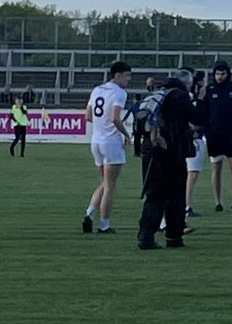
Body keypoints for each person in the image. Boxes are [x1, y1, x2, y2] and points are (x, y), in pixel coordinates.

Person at [137, 71, 198, 250]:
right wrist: (201, 100)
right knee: (174, 195)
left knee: (154, 194)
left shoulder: (158, 95)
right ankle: (172, 236)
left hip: (151, 148)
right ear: (187, 84)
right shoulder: (180, 96)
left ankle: (147, 235)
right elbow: (197, 117)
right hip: (171, 150)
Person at [83, 61, 132, 235]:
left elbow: (88, 116)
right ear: (117, 75)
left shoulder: (97, 90)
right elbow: (115, 118)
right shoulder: (119, 93)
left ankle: (90, 213)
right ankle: (104, 224)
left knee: (104, 182)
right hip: (111, 142)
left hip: (96, 140)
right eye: (127, 76)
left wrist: (101, 125)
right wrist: (126, 135)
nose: (129, 80)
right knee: (110, 185)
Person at [200, 61, 232, 212]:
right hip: (214, 135)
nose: (220, 77)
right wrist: (206, 132)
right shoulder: (209, 90)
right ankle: (217, 201)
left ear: (228, 74)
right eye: (217, 74)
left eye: (222, 73)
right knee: (216, 168)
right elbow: (203, 113)